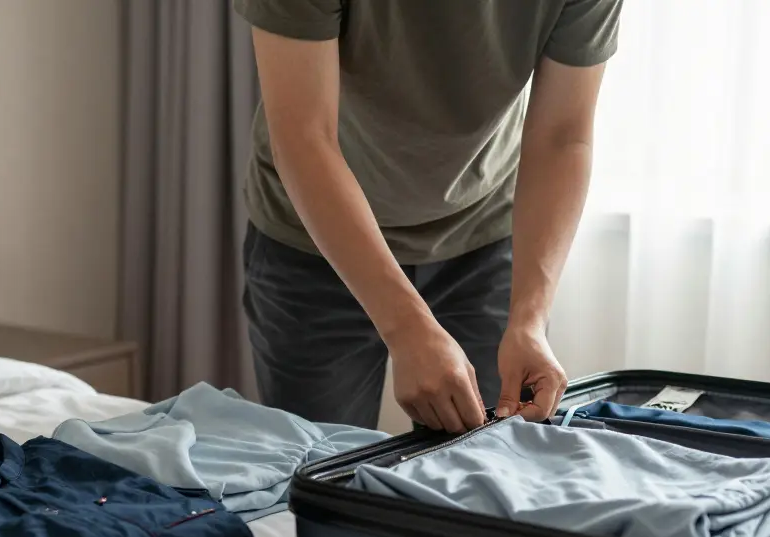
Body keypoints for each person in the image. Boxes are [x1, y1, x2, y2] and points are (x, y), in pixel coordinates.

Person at [235, 0, 621, 433]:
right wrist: (406, 327)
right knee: (318, 467)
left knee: (489, 472)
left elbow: (563, 137)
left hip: (481, 236)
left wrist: (529, 321)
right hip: (314, 245)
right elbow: (306, 137)